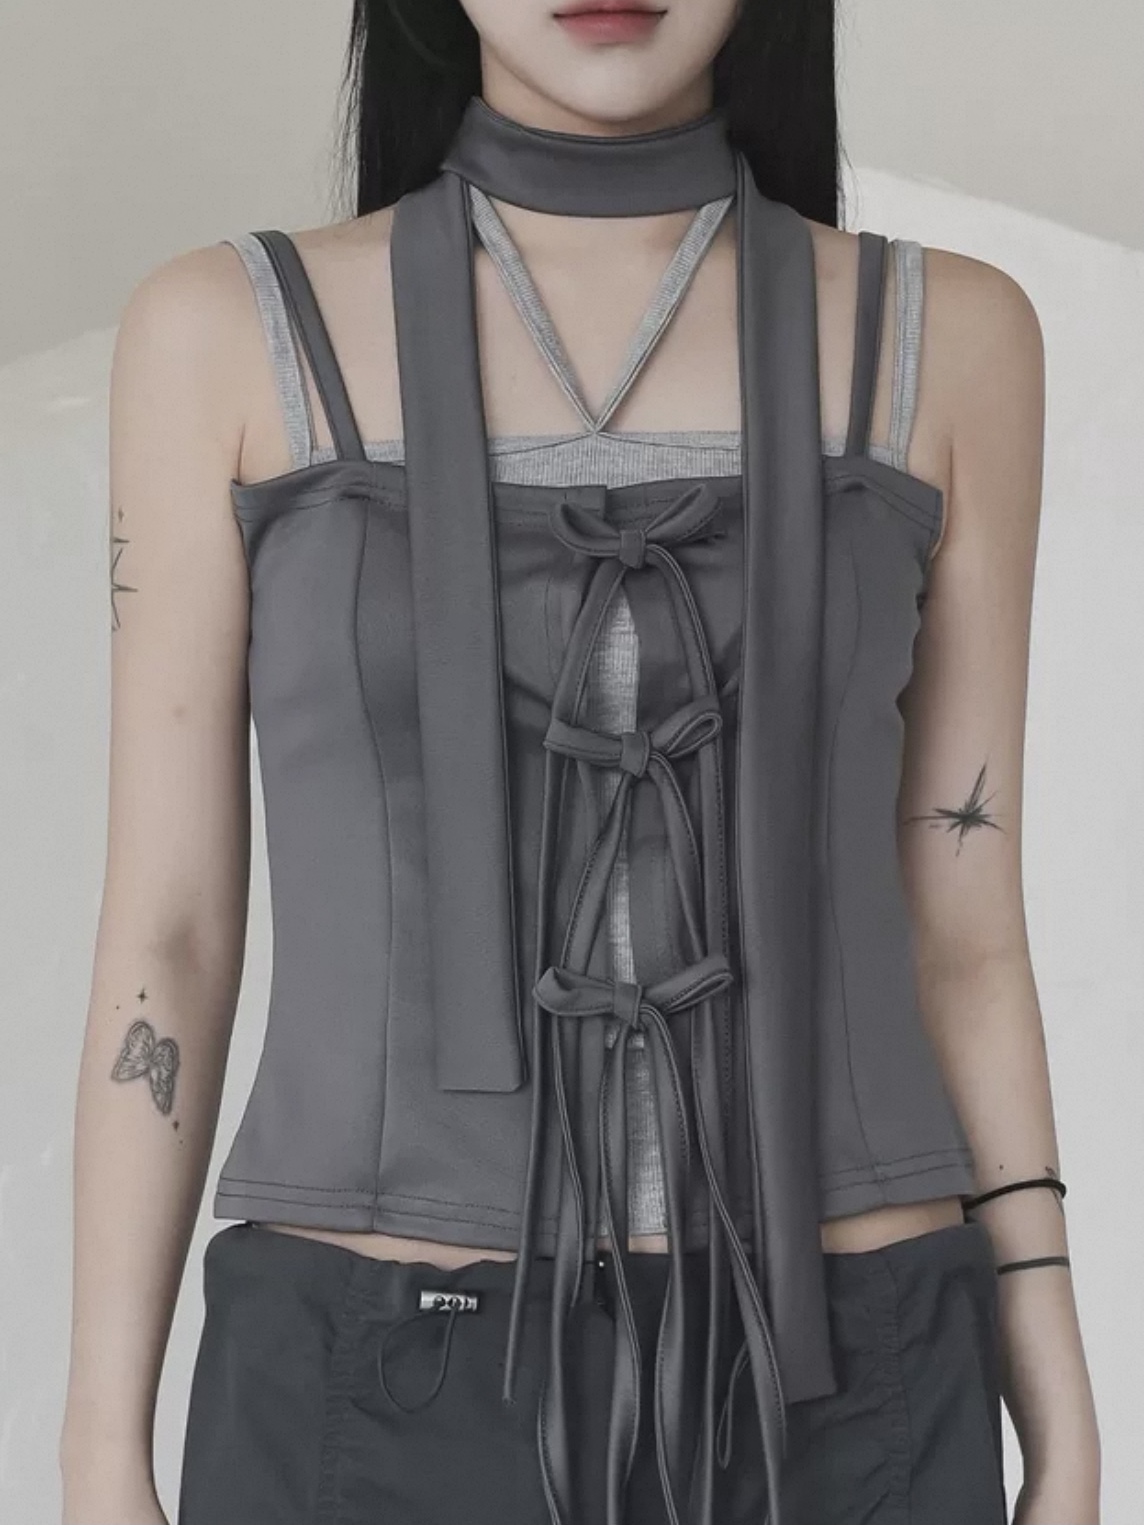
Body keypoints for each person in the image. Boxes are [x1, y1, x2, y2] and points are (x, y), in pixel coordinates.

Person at [59, 1, 1101, 1522]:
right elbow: (172, 932)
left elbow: (965, 929)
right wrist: (100, 1452)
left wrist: (1062, 1419)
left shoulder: (951, 338)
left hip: (858, 1379)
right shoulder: (223, 331)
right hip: (364, 1384)